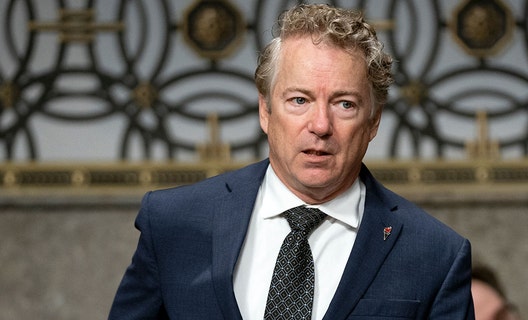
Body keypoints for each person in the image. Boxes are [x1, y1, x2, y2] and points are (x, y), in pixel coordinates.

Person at [109, 4, 474, 319]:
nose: (320, 125)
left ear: (373, 121)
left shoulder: (436, 254)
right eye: (299, 100)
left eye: (344, 104)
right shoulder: (174, 223)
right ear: (265, 111)